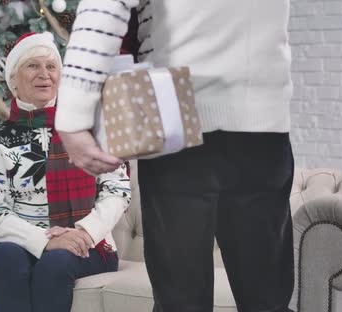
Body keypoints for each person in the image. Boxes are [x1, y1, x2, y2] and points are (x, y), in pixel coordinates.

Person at [55, 1, 295, 312]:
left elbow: (106, 7)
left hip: (177, 114)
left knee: (180, 301)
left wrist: (73, 115)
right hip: (265, 121)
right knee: (268, 297)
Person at [0, 32, 131, 312]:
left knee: (55, 264)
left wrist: (85, 231)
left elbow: (118, 190)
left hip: (89, 243)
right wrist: (45, 241)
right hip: (25, 238)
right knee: (4, 257)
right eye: (32, 66)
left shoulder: (88, 127)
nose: (44, 75)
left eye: (51, 66)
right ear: (14, 79)